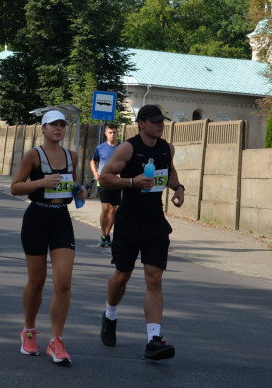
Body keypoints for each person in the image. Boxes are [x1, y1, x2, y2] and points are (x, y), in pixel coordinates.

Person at [98, 104, 185, 362]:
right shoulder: (128, 148)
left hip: (155, 220)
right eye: (155, 121)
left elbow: (169, 172)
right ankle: (110, 314)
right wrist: (132, 182)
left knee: (154, 277)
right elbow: (105, 177)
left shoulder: (166, 148)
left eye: (162, 121)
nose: (160, 125)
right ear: (142, 123)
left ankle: (153, 340)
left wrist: (178, 187)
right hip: (129, 220)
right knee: (122, 275)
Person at [10, 109, 90, 367]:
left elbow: (72, 185)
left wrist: (80, 191)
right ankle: (29, 331)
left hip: (61, 219)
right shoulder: (34, 155)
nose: (59, 128)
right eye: (53, 124)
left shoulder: (72, 156)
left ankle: (56, 340)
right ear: (43, 128)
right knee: (36, 281)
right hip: (36, 219)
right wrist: (40, 183)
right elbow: (15, 187)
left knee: (64, 282)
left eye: (62, 125)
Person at [91, 122, 121, 247]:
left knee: (113, 210)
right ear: (105, 133)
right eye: (110, 133)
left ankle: (107, 235)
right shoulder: (100, 148)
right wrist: (95, 173)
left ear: (117, 133)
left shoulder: (122, 147)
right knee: (105, 208)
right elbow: (93, 161)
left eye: (114, 132)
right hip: (103, 181)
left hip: (117, 183)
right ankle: (103, 235)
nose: (112, 135)